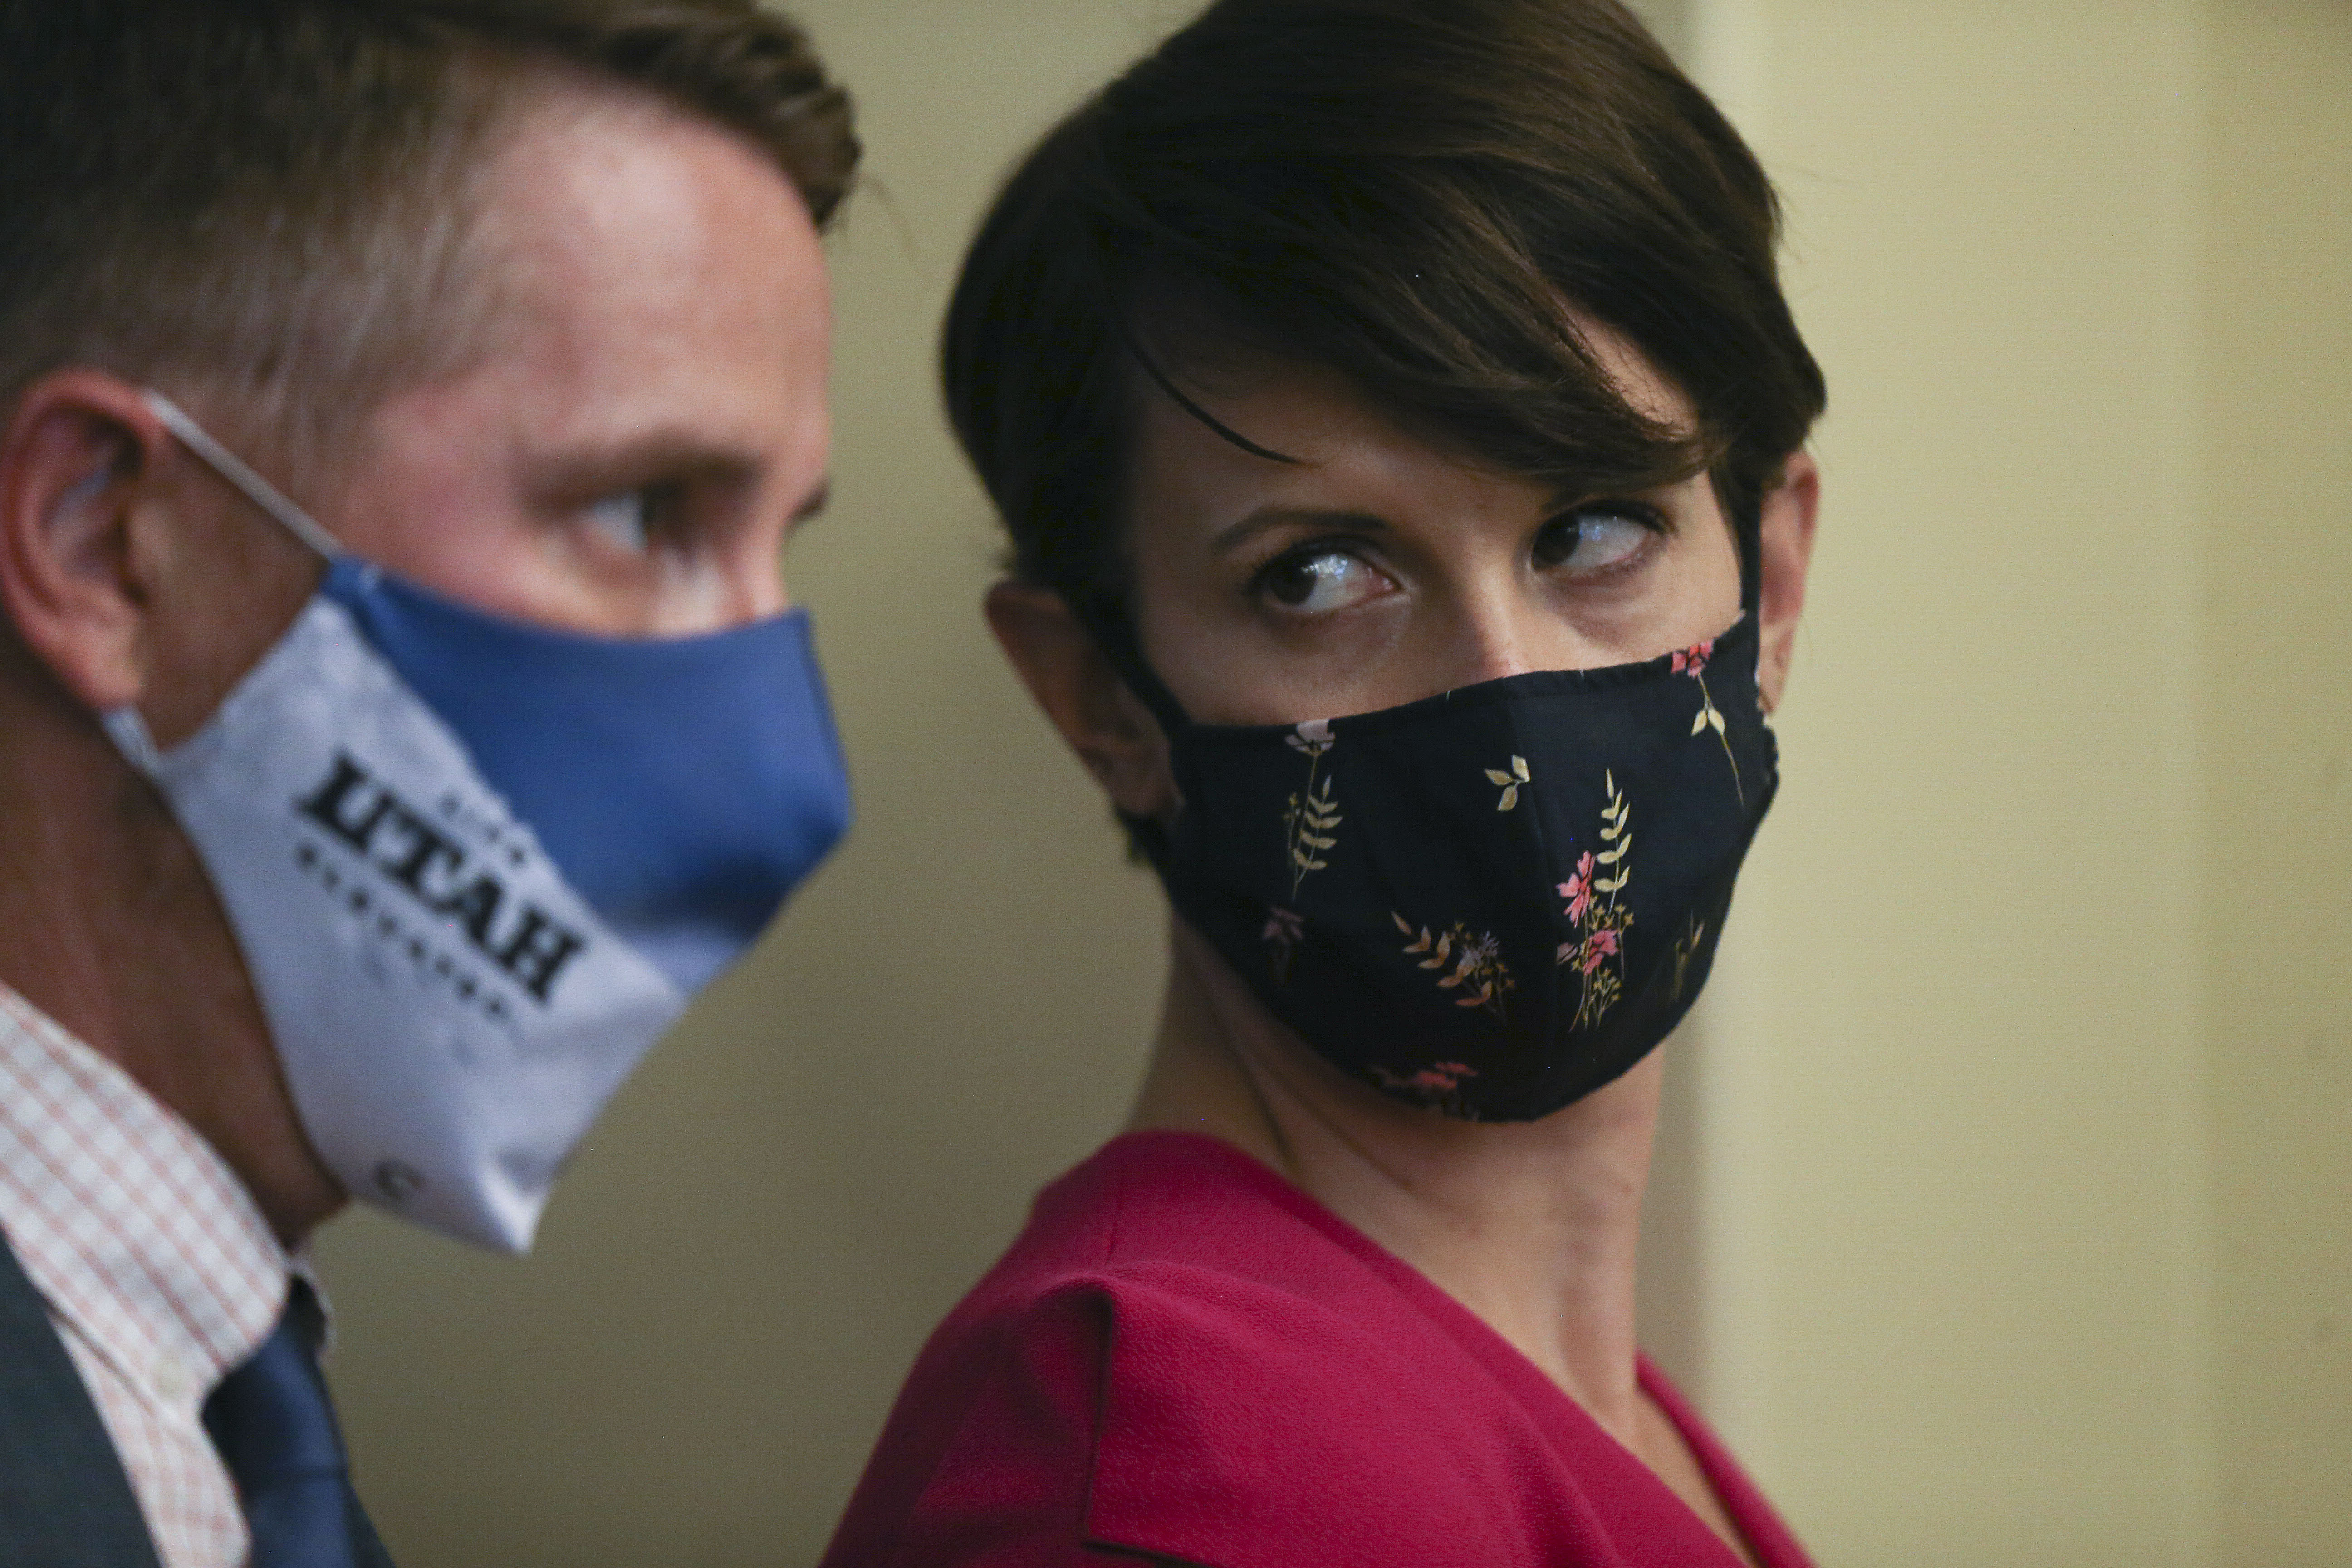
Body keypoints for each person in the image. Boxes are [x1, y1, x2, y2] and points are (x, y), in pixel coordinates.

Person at [821, 0, 1824, 1564]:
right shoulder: (1179, 1455)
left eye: (1595, 529)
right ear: (1098, 696)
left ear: (1772, 572)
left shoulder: (1566, 1419)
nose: (1507, 692)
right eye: (1323, 572)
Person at [0, 2, 856, 1563]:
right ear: (111, 547)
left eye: (779, 545)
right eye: (645, 510)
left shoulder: (218, 1431)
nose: (789, 771)